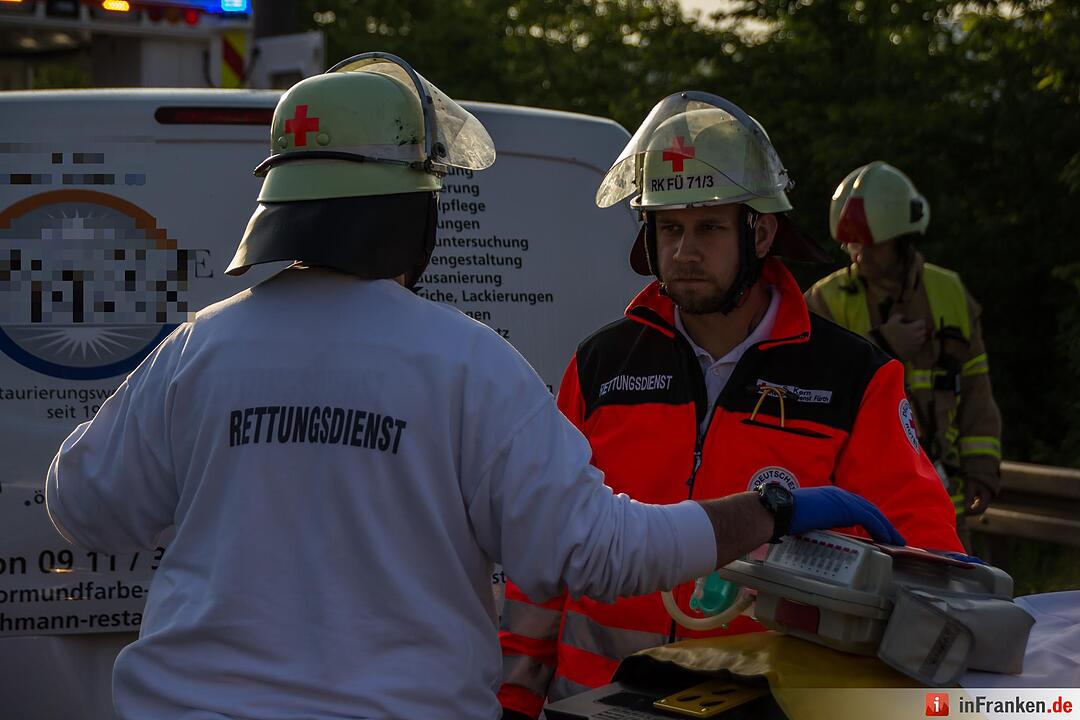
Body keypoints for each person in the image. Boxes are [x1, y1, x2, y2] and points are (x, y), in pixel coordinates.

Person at [41, 56, 903, 720]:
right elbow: (600, 554)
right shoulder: (465, 364)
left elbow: (80, 502)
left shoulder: (199, 351)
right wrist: (773, 508)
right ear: (416, 211)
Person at [498, 93, 964, 719]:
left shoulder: (854, 379)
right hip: (590, 705)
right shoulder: (601, 367)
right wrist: (514, 699)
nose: (686, 251)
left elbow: (924, 562)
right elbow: (544, 553)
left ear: (761, 230)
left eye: (710, 227)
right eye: (670, 228)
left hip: (758, 708)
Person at [805, 161, 1003, 519]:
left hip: (943, 507)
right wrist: (881, 345)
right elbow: (810, 389)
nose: (859, 255)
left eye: (872, 245)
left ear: (902, 240)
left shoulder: (950, 293)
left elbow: (977, 391)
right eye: (851, 245)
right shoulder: (823, 300)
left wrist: (983, 470)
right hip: (858, 509)